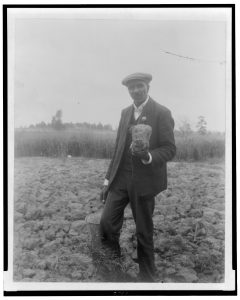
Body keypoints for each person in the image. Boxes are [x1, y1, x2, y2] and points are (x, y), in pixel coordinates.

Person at [99, 72, 176, 282]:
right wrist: (108, 180)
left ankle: (147, 280)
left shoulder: (161, 112)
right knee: (106, 222)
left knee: (143, 231)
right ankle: (114, 266)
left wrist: (148, 156)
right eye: (131, 87)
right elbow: (118, 148)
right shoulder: (125, 113)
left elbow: (170, 149)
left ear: (148, 87)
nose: (135, 90)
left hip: (144, 181)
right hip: (120, 178)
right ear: (128, 90)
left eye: (139, 86)